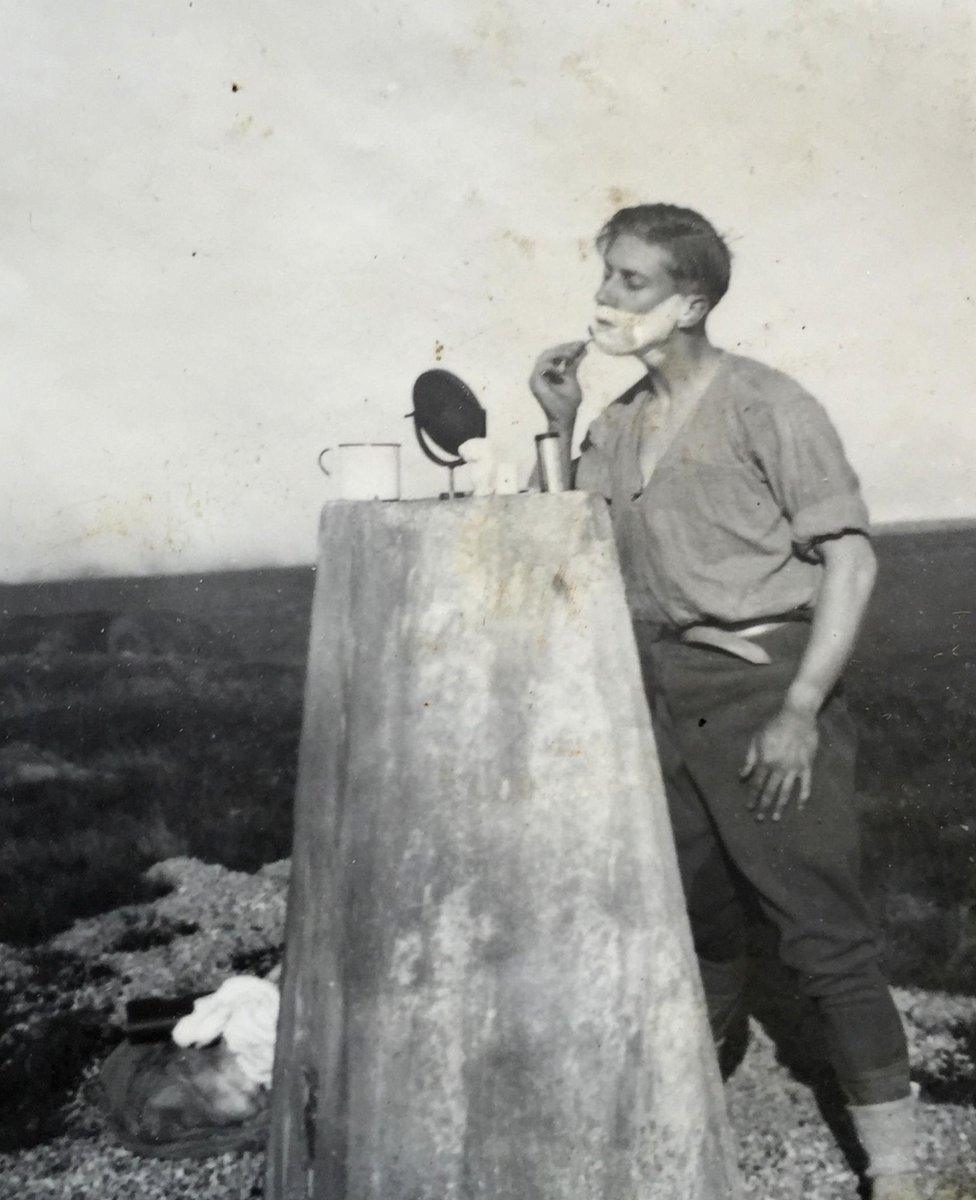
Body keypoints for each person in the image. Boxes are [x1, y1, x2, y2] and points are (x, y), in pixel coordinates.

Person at [529, 203, 919, 1200]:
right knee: (690, 920)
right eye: (606, 276)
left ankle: (902, 1171)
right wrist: (559, 423)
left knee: (819, 932)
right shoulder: (616, 425)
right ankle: (682, 1128)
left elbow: (852, 560)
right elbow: (561, 545)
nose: (607, 298)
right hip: (658, 698)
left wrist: (800, 709)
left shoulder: (766, 406)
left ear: (689, 301)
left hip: (760, 689)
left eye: (632, 281)